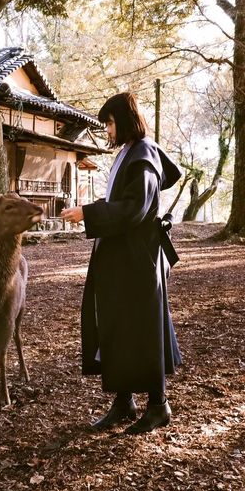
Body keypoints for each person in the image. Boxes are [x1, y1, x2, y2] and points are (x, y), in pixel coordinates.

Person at [60, 92, 182, 434]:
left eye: (110, 123)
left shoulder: (143, 156)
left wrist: (88, 213)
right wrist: (91, 210)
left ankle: (159, 406)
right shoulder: (129, 153)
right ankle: (124, 401)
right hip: (123, 259)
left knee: (143, 330)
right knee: (118, 328)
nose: (108, 131)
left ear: (125, 121)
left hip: (138, 263)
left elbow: (134, 208)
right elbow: (122, 201)